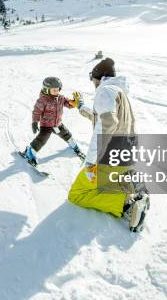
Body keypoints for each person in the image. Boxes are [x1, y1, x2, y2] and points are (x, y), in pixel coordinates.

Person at [67, 58, 150, 232]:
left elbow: (107, 123)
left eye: (92, 78)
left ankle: (127, 205)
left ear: (99, 77)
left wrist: (91, 161)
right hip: (126, 156)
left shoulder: (105, 91)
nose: (92, 83)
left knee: (77, 194)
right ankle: (131, 186)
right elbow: (99, 117)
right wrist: (80, 106)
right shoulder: (118, 91)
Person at [23, 77, 86, 165]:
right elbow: (36, 111)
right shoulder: (42, 100)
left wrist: (74, 103)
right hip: (46, 126)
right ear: (47, 90)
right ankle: (30, 151)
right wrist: (34, 122)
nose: (56, 92)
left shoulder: (60, 97)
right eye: (54, 90)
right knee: (41, 140)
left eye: (58, 90)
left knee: (66, 134)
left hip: (57, 124)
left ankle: (74, 146)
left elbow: (67, 103)